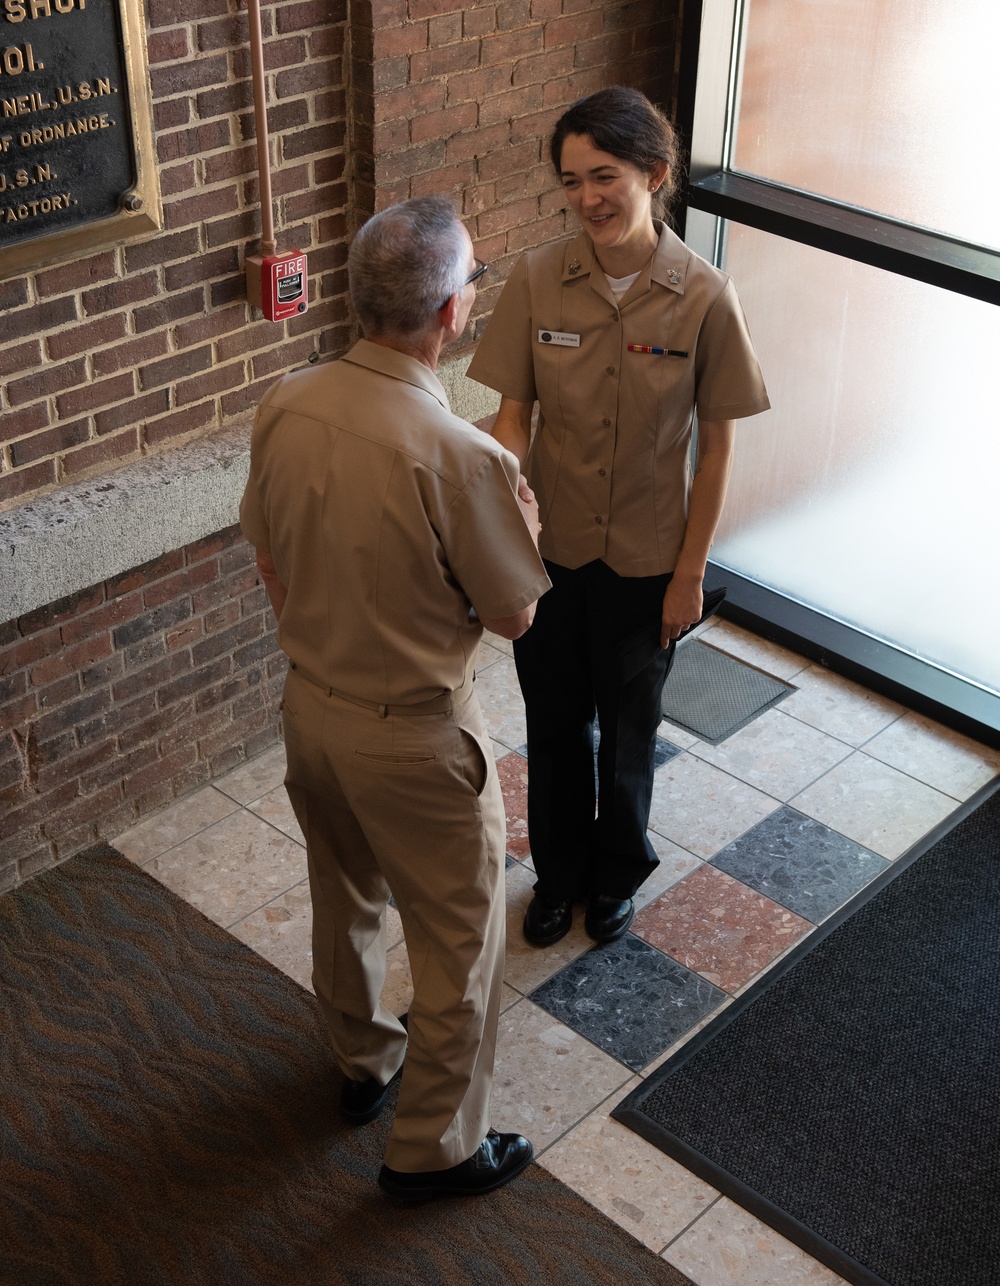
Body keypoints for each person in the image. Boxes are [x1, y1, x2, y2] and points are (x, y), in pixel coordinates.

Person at [239, 195, 550, 1202]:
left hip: (311, 711)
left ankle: (362, 1062)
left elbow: (269, 560)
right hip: (417, 741)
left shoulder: (285, 402)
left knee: (347, 895)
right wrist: (527, 523)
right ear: (451, 316)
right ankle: (435, 1149)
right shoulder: (467, 456)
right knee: (459, 941)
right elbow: (514, 617)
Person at [467, 86, 770, 949]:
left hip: (646, 563)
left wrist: (689, 575)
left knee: (629, 733)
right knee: (555, 727)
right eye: (570, 181)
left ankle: (615, 875)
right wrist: (501, 530)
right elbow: (512, 423)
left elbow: (716, 452)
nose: (587, 198)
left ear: (655, 173)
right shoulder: (535, 280)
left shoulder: (706, 297)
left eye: (605, 176)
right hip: (551, 555)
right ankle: (558, 877)